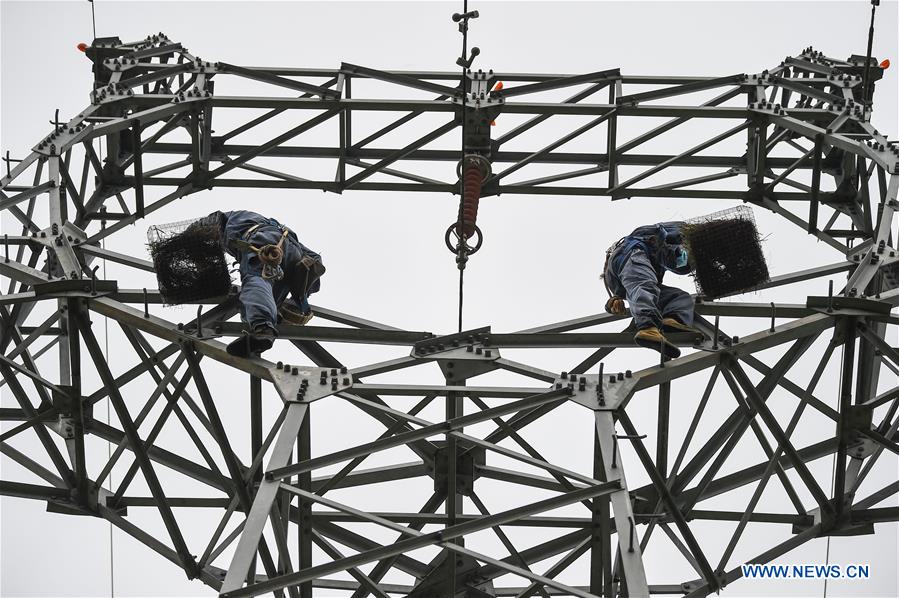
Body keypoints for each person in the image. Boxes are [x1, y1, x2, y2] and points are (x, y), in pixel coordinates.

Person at [208, 210, 325, 357]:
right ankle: (261, 332)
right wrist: (302, 292)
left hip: (263, 242)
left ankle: (263, 329)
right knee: (261, 301)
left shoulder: (224, 219)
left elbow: (202, 229)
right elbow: (314, 259)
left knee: (256, 281)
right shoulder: (270, 224)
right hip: (293, 252)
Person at [602, 222, 697, 358]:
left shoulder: (654, 264)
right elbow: (638, 282)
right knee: (645, 285)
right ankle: (648, 328)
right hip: (630, 258)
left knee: (678, 297)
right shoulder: (648, 239)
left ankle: (672, 319)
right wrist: (684, 237)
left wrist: (612, 302)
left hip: (624, 285)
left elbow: (633, 285)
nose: (677, 260)